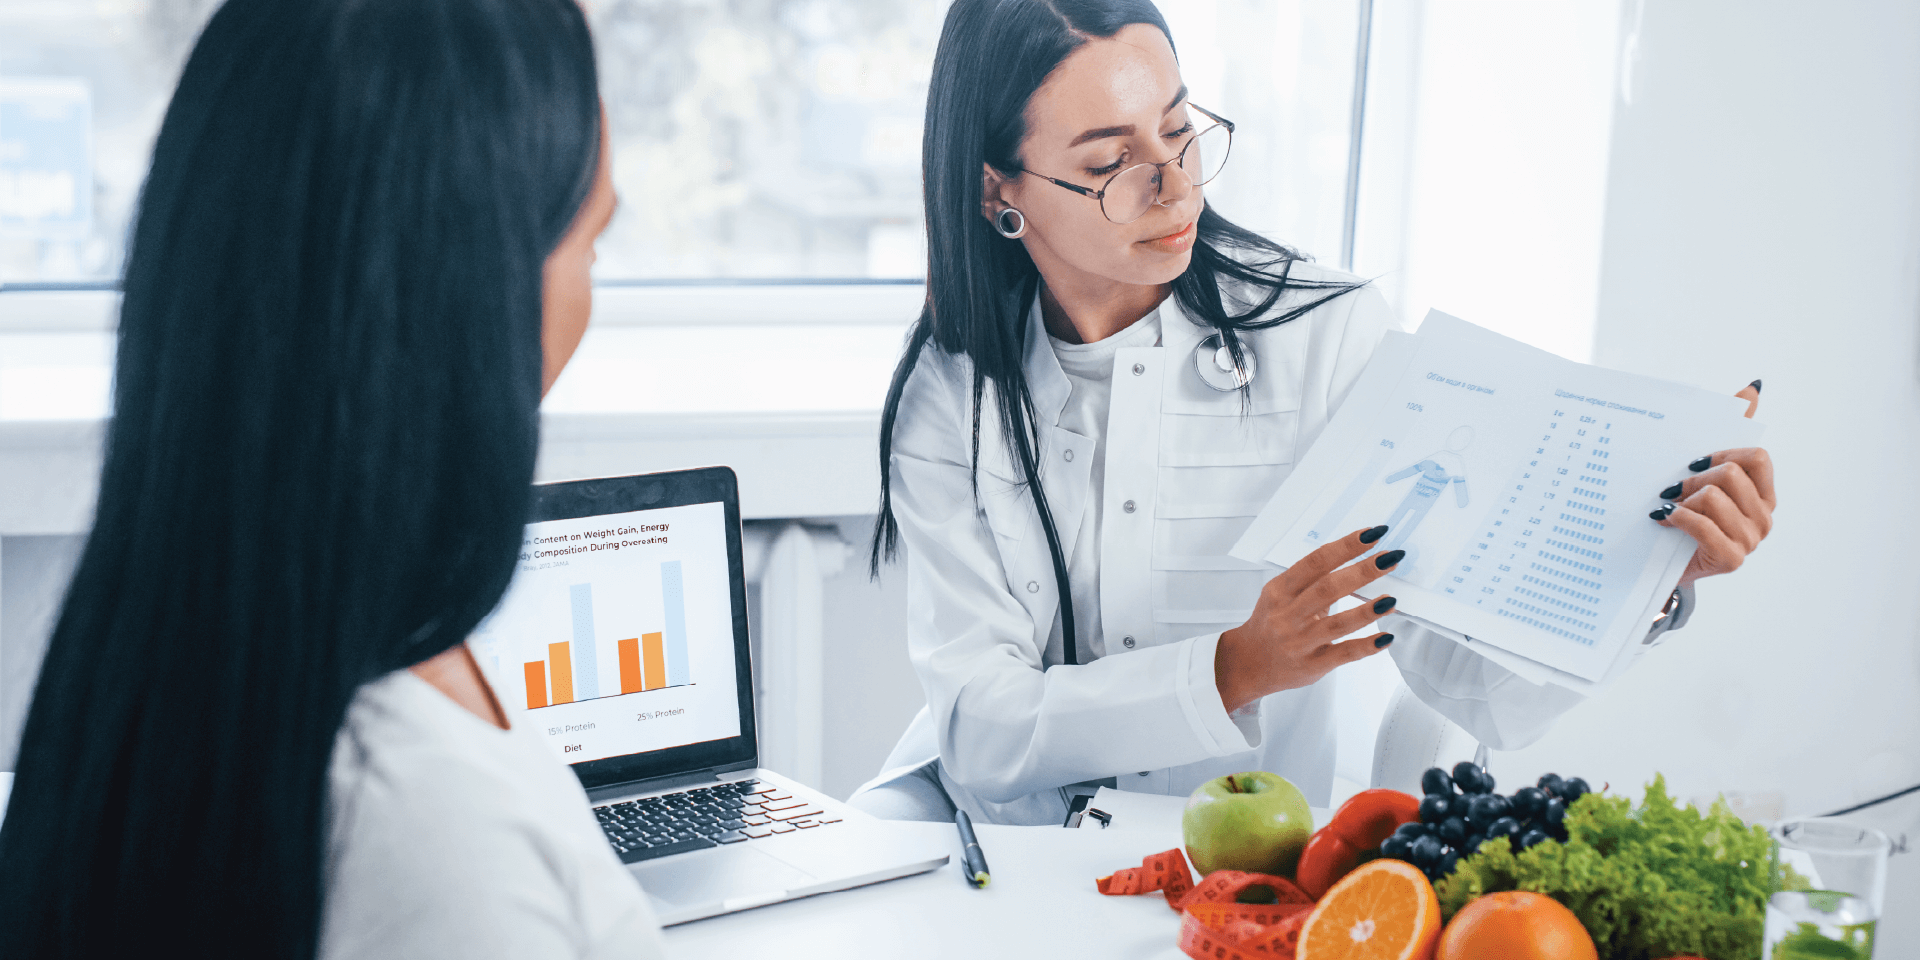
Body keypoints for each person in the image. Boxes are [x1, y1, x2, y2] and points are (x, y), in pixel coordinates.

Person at [851, 0, 1776, 826]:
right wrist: (1233, 669)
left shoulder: (1324, 338)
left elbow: (1476, 689)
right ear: (996, 190)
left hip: (1251, 863)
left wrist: (1653, 575)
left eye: (1179, 132)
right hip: (1004, 861)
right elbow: (978, 725)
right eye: (1109, 163)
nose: (1174, 187)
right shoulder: (949, 388)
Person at [0, 1, 665, 958]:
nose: (593, 290)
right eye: (590, 243)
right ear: (479, 295)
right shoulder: (426, 833)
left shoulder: (198, 655)